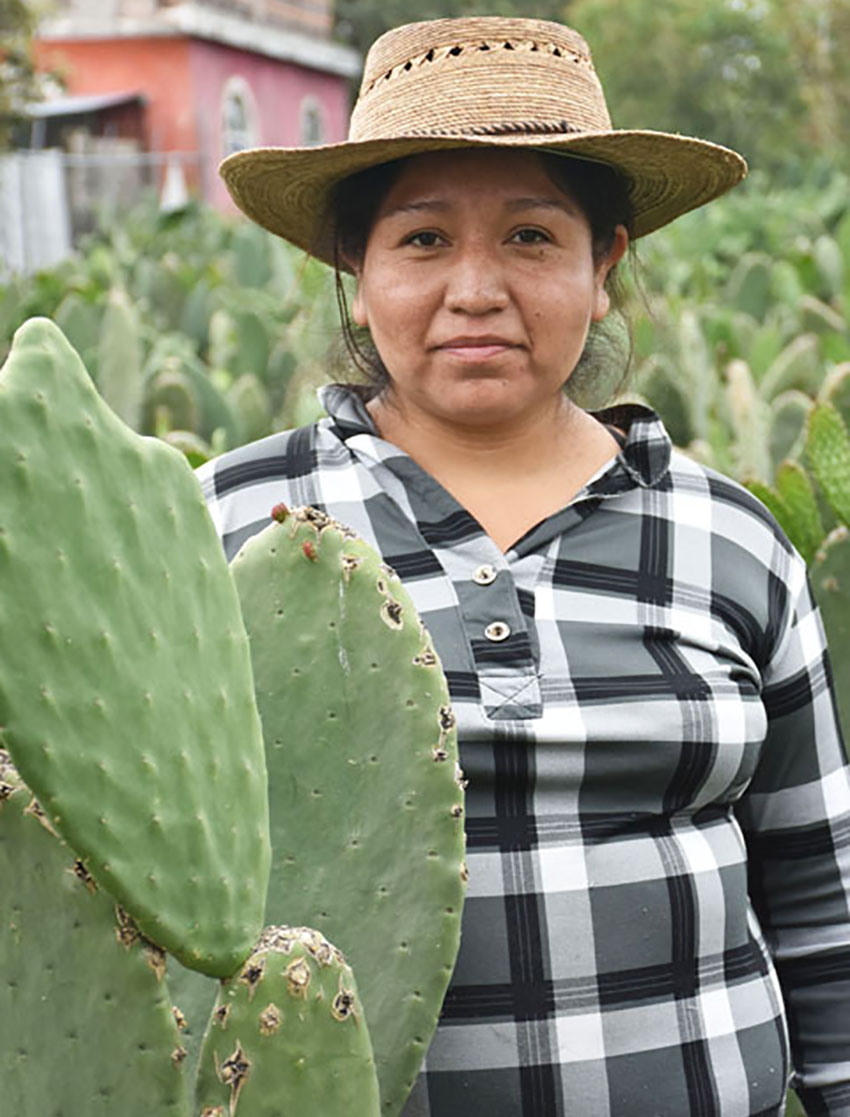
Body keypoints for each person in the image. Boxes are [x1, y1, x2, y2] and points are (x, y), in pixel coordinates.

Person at [197, 16, 850, 1117]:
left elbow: (822, 899)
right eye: (421, 241)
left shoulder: (728, 542)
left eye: (533, 238)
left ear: (605, 268)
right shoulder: (232, 527)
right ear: (353, 275)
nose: (476, 288)